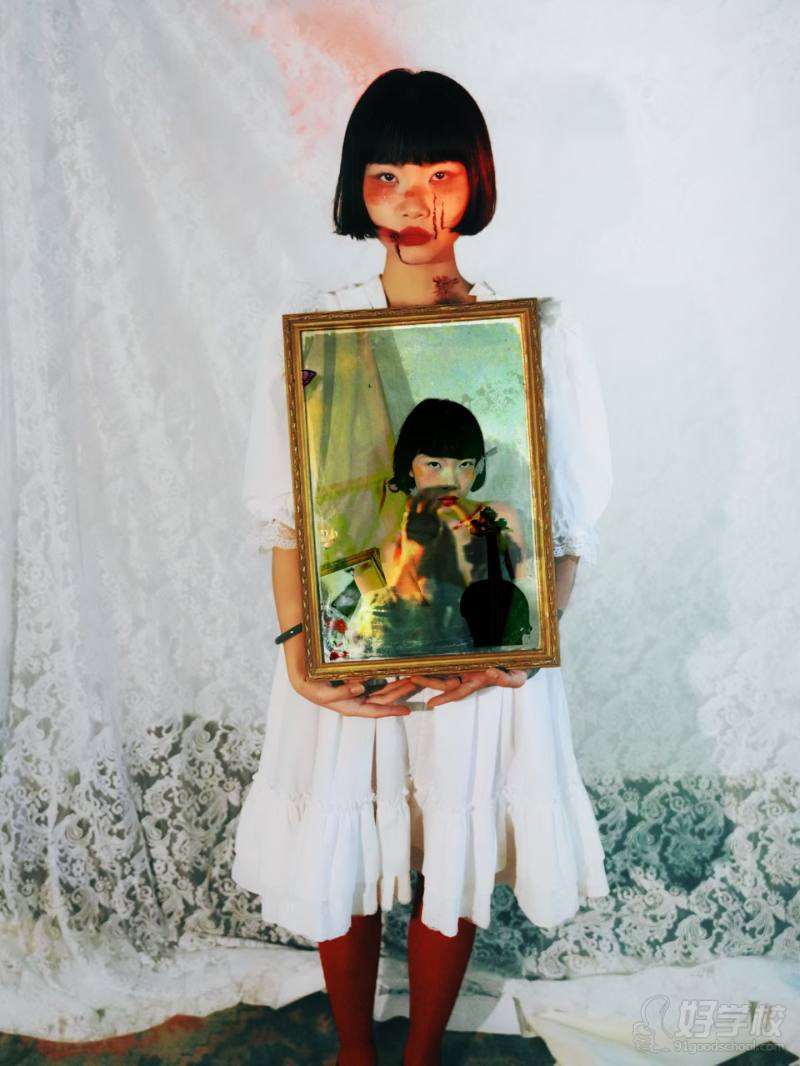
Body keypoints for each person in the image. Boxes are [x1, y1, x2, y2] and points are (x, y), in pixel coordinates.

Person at [233, 68, 613, 1066]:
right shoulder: (318, 334)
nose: (415, 201)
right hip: (353, 647)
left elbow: (563, 529)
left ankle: (420, 1054)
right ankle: (355, 1052)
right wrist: (300, 656)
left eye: (440, 174)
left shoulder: (534, 332)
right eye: (388, 177)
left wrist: (516, 649)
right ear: (357, 188)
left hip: (482, 662)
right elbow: (289, 521)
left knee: (456, 847)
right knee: (344, 843)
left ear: (475, 181)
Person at [347, 397, 533, 659]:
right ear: (409, 466)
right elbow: (398, 637)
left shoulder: (498, 517)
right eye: (435, 464)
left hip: (503, 665)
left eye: (464, 464)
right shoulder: (392, 548)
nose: (451, 481)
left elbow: (529, 602)